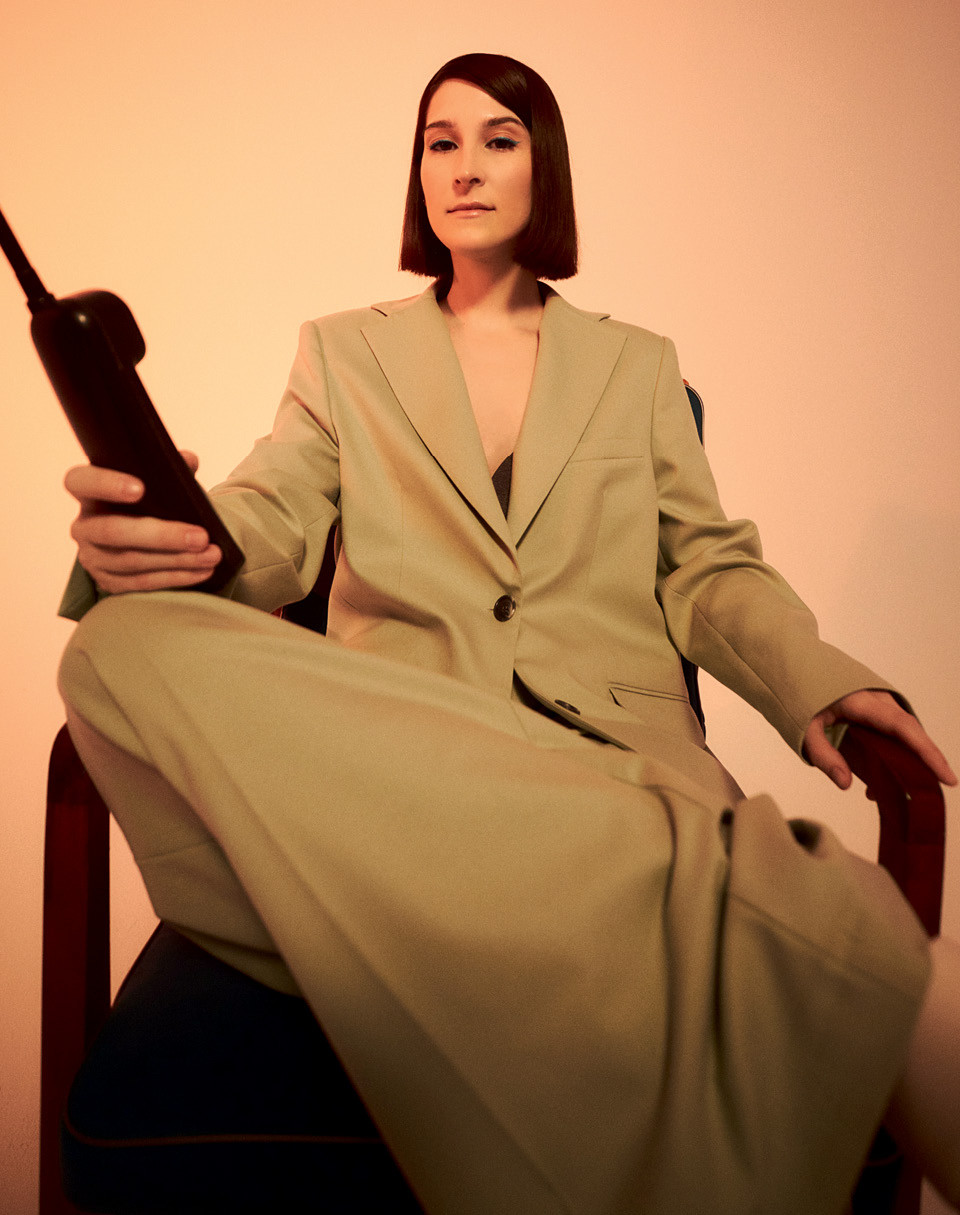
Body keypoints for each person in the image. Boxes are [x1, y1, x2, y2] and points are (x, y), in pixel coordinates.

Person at [58, 52, 959, 1213]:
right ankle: (677, 897)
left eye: (499, 138)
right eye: (440, 142)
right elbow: (271, 513)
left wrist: (819, 680)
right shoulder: (344, 352)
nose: (465, 167)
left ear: (547, 168)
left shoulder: (637, 366)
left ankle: (518, 889)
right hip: (400, 765)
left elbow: (707, 566)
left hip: (609, 754)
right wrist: (170, 538)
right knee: (114, 647)